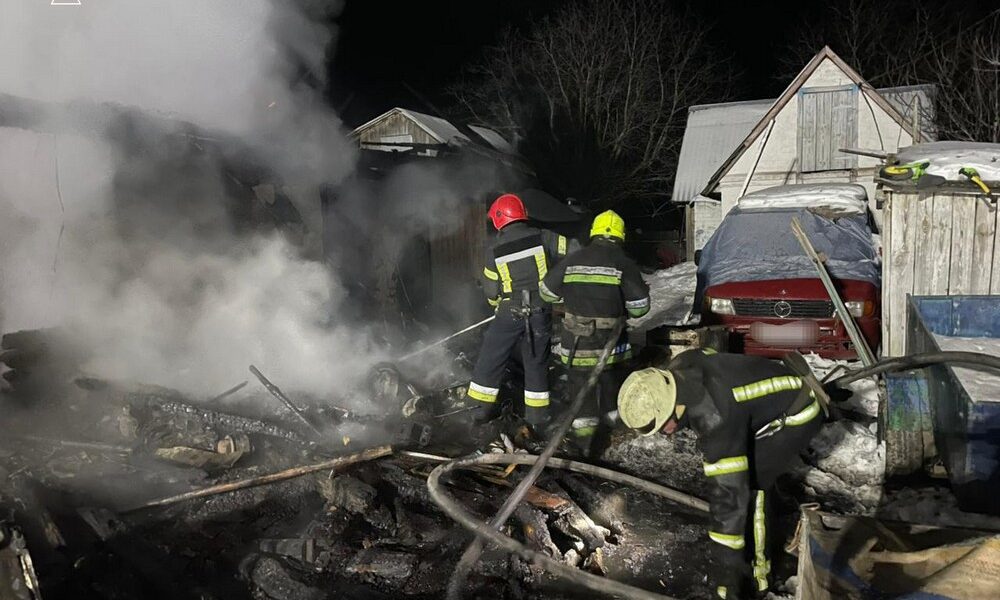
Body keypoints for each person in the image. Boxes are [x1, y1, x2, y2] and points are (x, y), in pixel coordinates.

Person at [617, 348, 830, 600]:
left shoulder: (716, 417)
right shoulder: (682, 366)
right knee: (742, 474)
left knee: (752, 488)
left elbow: (730, 498)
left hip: (799, 412)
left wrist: (726, 573)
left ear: (673, 406)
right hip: (775, 395)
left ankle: (759, 577)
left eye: (662, 426)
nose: (666, 433)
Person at [539, 210, 650, 455]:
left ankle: (585, 446)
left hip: (577, 344)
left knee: (581, 391)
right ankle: (614, 430)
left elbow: (546, 293)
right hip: (612, 346)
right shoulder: (624, 263)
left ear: (594, 233)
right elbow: (641, 308)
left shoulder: (573, 258)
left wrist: (568, 297)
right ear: (621, 236)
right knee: (612, 385)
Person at [465, 193, 571, 430]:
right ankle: (537, 418)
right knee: (536, 360)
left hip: (509, 309)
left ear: (500, 218)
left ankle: (478, 412)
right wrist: (555, 284)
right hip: (540, 308)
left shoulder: (494, 249)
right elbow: (573, 251)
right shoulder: (546, 236)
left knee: (492, 356)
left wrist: (497, 307)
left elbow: (491, 290)